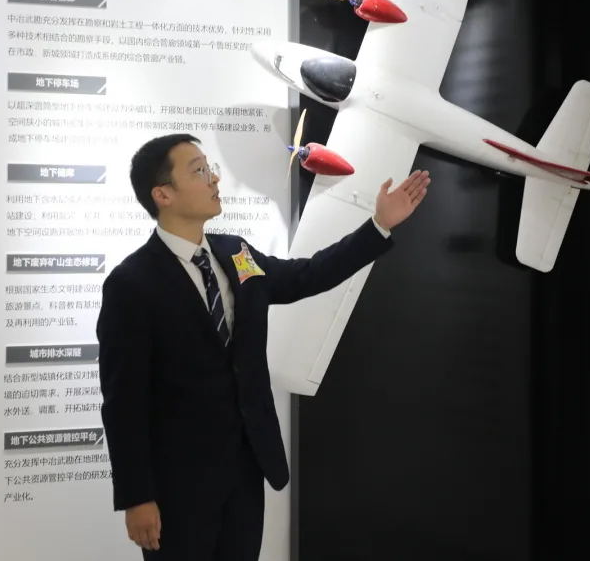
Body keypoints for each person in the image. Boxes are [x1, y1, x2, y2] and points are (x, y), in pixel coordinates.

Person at [97, 133, 430, 560]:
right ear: (163, 194)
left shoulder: (234, 251)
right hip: (177, 484)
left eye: (210, 167)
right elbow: (123, 401)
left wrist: (378, 226)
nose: (214, 178)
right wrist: (136, 496)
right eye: (198, 171)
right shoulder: (132, 284)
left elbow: (306, 275)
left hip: (244, 470)